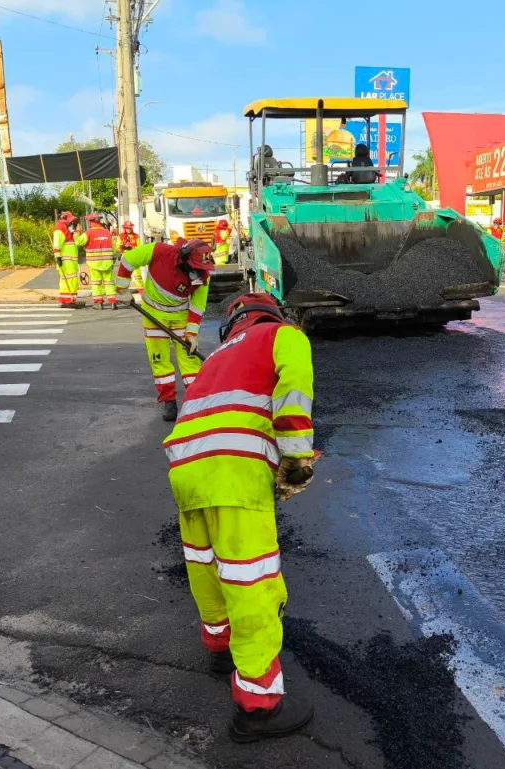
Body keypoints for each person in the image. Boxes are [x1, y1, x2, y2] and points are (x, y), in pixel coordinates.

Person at [163, 292, 316, 743]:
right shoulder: (284, 336)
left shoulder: (215, 358)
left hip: (186, 470)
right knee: (253, 583)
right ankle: (260, 706)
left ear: (232, 325)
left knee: (204, 566)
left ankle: (218, 646)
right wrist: (296, 461)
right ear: (273, 315)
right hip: (235, 470)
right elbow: (293, 396)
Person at [115, 238, 214, 421]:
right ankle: (169, 402)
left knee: (190, 360)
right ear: (183, 259)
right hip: (154, 316)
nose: (197, 271)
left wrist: (191, 333)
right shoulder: (158, 251)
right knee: (159, 359)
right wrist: (122, 289)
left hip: (181, 318)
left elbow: (198, 305)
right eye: (194, 266)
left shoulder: (202, 274)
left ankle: (196, 402)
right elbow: (129, 259)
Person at [75, 213, 117, 309]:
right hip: (107, 262)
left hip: (94, 263)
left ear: (90, 222)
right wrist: (113, 258)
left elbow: (78, 242)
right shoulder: (107, 232)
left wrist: (77, 232)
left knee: (96, 283)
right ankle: (113, 302)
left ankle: (98, 303)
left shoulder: (89, 233)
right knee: (109, 282)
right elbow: (113, 248)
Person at [52, 211, 81, 308]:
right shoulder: (60, 228)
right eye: (71, 220)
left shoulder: (66, 227)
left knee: (69, 280)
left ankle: (69, 299)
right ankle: (67, 300)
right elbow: (56, 245)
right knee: (69, 280)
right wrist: (58, 258)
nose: (72, 222)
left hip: (69, 261)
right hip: (66, 261)